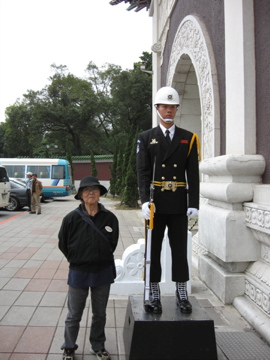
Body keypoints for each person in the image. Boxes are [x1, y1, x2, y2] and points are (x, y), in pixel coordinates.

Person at [136, 86, 200, 315]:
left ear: (176, 109)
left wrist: (194, 203)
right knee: (152, 250)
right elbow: (142, 172)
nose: (169, 110)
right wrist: (144, 200)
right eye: (164, 106)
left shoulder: (188, 138)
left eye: (172, 106)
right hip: (155, 203)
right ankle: (154, 292)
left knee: (179, 249)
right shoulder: (146, 138)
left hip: (178, 203)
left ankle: (181, 292)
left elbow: (193, 173)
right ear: (157, 108)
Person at [58, 176, 119, 360]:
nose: (91, 192)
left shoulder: (110, 218)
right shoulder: (71, 218)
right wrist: (77, 259)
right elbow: (63, 243)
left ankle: (98, 346)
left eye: (95, 189)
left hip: (103, 271)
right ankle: (69, 347)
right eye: (86, 190)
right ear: (81, 195)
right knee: (74, 314)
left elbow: (113, 243)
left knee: (99, 313)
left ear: (100, 193)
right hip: (79, 272)